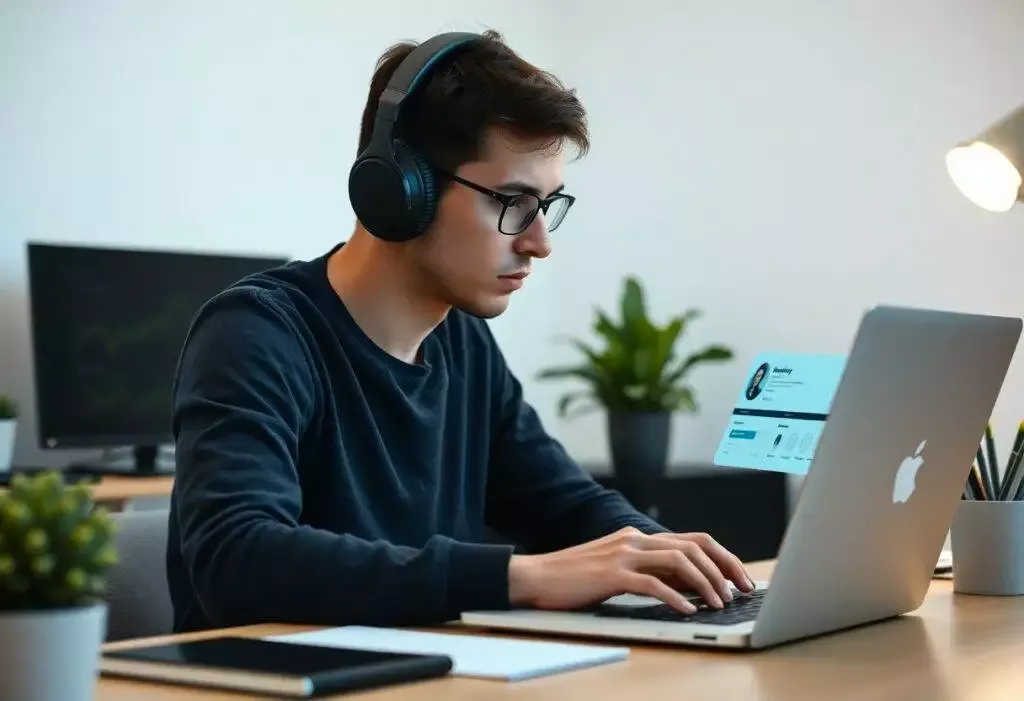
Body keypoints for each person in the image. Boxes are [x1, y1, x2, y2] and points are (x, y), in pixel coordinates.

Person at [165, 29, 754, 635]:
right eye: (513, 201)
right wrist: (526, 578)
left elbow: (565, 503)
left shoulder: (462, 343)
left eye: (548, 205)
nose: (539, 243)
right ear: (400, 188)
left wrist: (675, 561)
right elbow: (237, 561)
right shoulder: (257, 333)